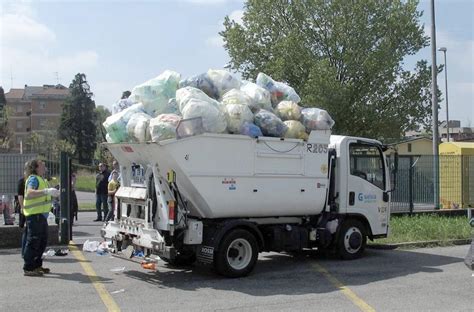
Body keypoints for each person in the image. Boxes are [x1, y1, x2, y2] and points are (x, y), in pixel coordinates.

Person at [22, 159, 60, 276]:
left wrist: (51, 193)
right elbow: (30, 193)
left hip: (41, 216)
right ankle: (29, 267)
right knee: (34, 241)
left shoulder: (41, 179)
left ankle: (37, 265)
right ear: (36, 167)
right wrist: (46, 191)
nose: (45, 168)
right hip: (35, 215)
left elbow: (42, 197)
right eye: (42, 166)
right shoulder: (33, 178)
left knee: (41, 242)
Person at [16, 162, 28, 258]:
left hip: (31, 208)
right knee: (27, 230)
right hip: (25, 208)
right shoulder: (22, 181)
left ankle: (25, 252)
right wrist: (22, 208)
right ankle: (24, 252)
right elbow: (20, 196)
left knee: (28, 230)